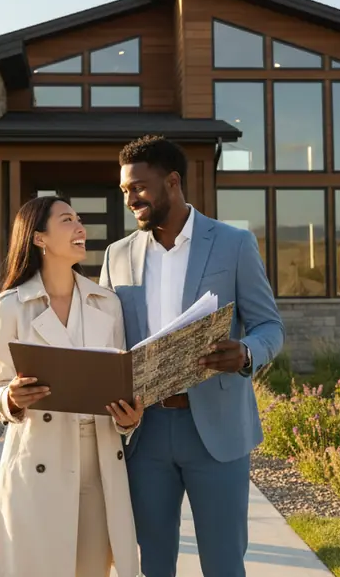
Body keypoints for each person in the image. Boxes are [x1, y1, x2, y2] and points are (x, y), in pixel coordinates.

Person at [99, 135, 284, 577]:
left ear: (173, 182)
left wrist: (245, 354)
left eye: (139, 187)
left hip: (217, 434)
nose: (130, 199)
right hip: (144, 434)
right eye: (125, 191)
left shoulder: (233, 244)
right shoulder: (116, 255)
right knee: (152, 564)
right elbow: (106, 340)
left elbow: (270, 327)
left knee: (223, 564)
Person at [0, 195, 144, 577]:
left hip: (99, 464)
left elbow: (119, 381)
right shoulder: (10, 307)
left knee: (92, 570)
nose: (80, 228)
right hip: (38, 460)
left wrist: (129, 418)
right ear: (39, 238)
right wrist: (12, 399)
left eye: (80, 220)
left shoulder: (107, 303)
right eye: (67, 220)